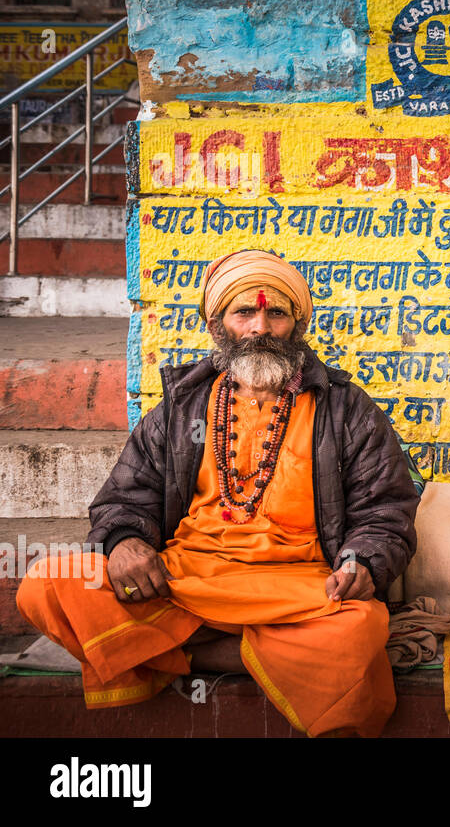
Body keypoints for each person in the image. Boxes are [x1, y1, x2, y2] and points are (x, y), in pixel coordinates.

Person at [17, 250, 419, 736]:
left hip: (297, 587)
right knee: (49, 581)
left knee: (358, 631)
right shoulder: (184, 404)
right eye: (244, 312)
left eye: (277, 313)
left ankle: (168, 652)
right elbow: (124, 497)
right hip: (182, 578)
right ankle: (251, 651)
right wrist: (125, 541)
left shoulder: (345, 408)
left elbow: (386, 510)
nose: (260, 328)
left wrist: (361, 561)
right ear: (216, 323)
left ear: (298, 323)